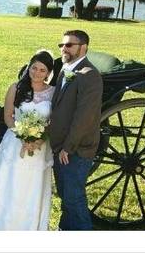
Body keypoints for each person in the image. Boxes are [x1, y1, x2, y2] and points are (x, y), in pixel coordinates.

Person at [0, 50, 55, 230]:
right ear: (29, 67)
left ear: (48, 73)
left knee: (31, 187)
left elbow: (53, 121)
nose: (36, 73)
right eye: (34, 68)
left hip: (40, 147)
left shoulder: (53, 92)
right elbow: (8, 116)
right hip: (15, 142)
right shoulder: (16, 88)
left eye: (42, 70)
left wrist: (38, 138)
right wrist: (23, 135)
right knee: (8, 183)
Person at [48, 29, 102, 230]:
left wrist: (68, 148)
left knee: (73, 197)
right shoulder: (65, 69)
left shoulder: (90, 75)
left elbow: (84, 118)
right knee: (65, 195)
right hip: (60, 147)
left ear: (83, 47)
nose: (64, 48)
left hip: (76, 149)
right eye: (61, 45)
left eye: (69, 45)